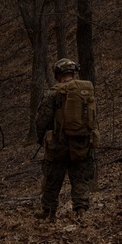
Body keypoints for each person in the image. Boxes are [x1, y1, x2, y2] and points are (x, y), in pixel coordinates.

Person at [33, 58, 98, 222]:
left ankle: (48, 212)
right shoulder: (85, 91)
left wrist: (41, 139)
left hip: (58, 145)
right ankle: (81, 210)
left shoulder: (52, 93)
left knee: (52, 178)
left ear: (57, 74)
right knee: (80, 178)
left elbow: (42, 120)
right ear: (73, 72)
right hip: (81, 144)